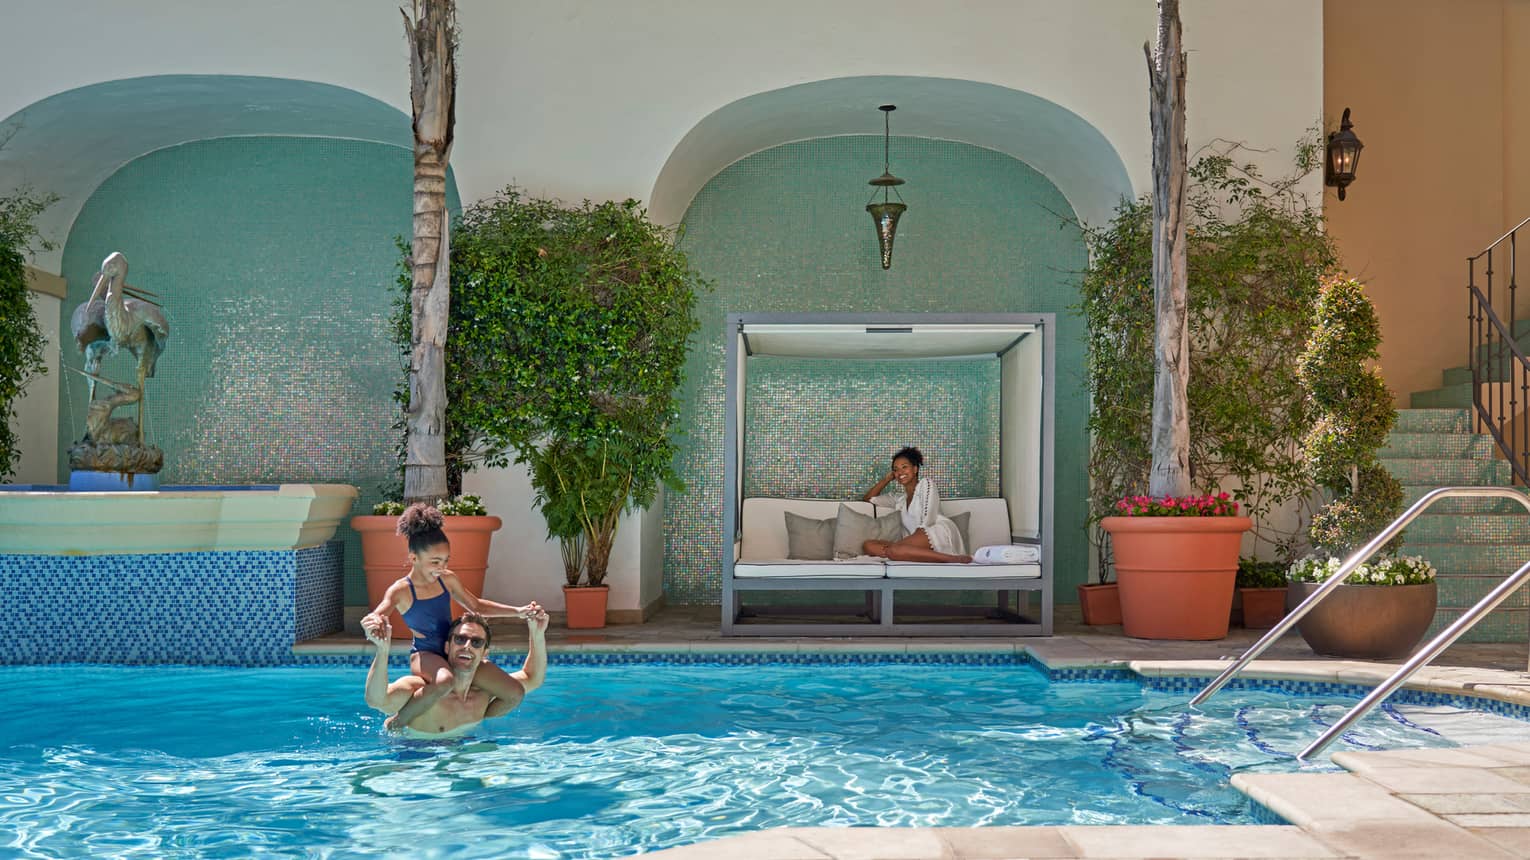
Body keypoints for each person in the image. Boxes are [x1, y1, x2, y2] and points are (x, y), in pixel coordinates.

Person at [361, 503, 541, 719]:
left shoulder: (447, 579)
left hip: (454, 649)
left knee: (513, 692)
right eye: (434, 561)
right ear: (414, 558)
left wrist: (518, 611)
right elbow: (379, 612)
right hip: (426, 654)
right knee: (445, 681)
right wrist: (372, 622)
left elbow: (476, 605)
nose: (440, 567)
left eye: (445, 561)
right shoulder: (402, 590)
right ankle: (398, 723)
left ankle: (471, 721)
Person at [363, 610, 548, 735]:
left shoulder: (485, 694)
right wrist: (382, 650)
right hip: (415, 758)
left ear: (485, 653)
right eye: (460, 639)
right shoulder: (422, 690)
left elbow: (533, 678)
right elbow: (376, 700)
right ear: (447, 646)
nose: (467, 646)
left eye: (476, 642)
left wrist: (537, 633)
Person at [860, 446, 972, 563]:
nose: (900, 472)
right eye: (896, 469)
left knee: (894, 550)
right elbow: (868, 499)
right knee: (868, 545)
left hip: (935, 532)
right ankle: (903, 552)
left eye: (904, 467)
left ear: (915, 469)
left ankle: (953, 559)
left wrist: (902, 546)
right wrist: (888, 478)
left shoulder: (926, 484)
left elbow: (928, 520)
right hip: (915, 542)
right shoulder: (899, 499)